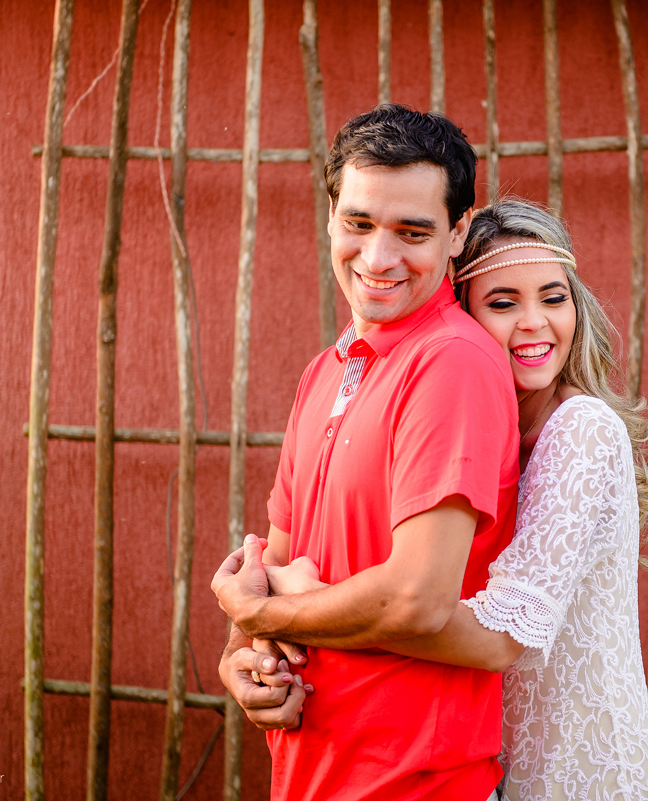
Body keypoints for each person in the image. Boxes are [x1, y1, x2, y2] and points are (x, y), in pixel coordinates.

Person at [259, 199, 648, 801]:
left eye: (554, 298)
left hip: (577, 766)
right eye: (502, 303)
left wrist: (298, 606)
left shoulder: (581, 429)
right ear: (465, 318)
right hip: (490, 762)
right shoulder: (484, 432)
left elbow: (502, 635)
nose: (534, 322)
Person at [210, 105, 520, 801]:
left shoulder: (453, 363)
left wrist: (260, 615)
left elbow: (417, 598)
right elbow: (280, 564)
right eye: (359, 223)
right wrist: (241, 658)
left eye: (413, 232)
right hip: (310, 776)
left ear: (458, 231)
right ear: (330, 216)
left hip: (419, 785)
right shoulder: (326, 369)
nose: (378, 259)